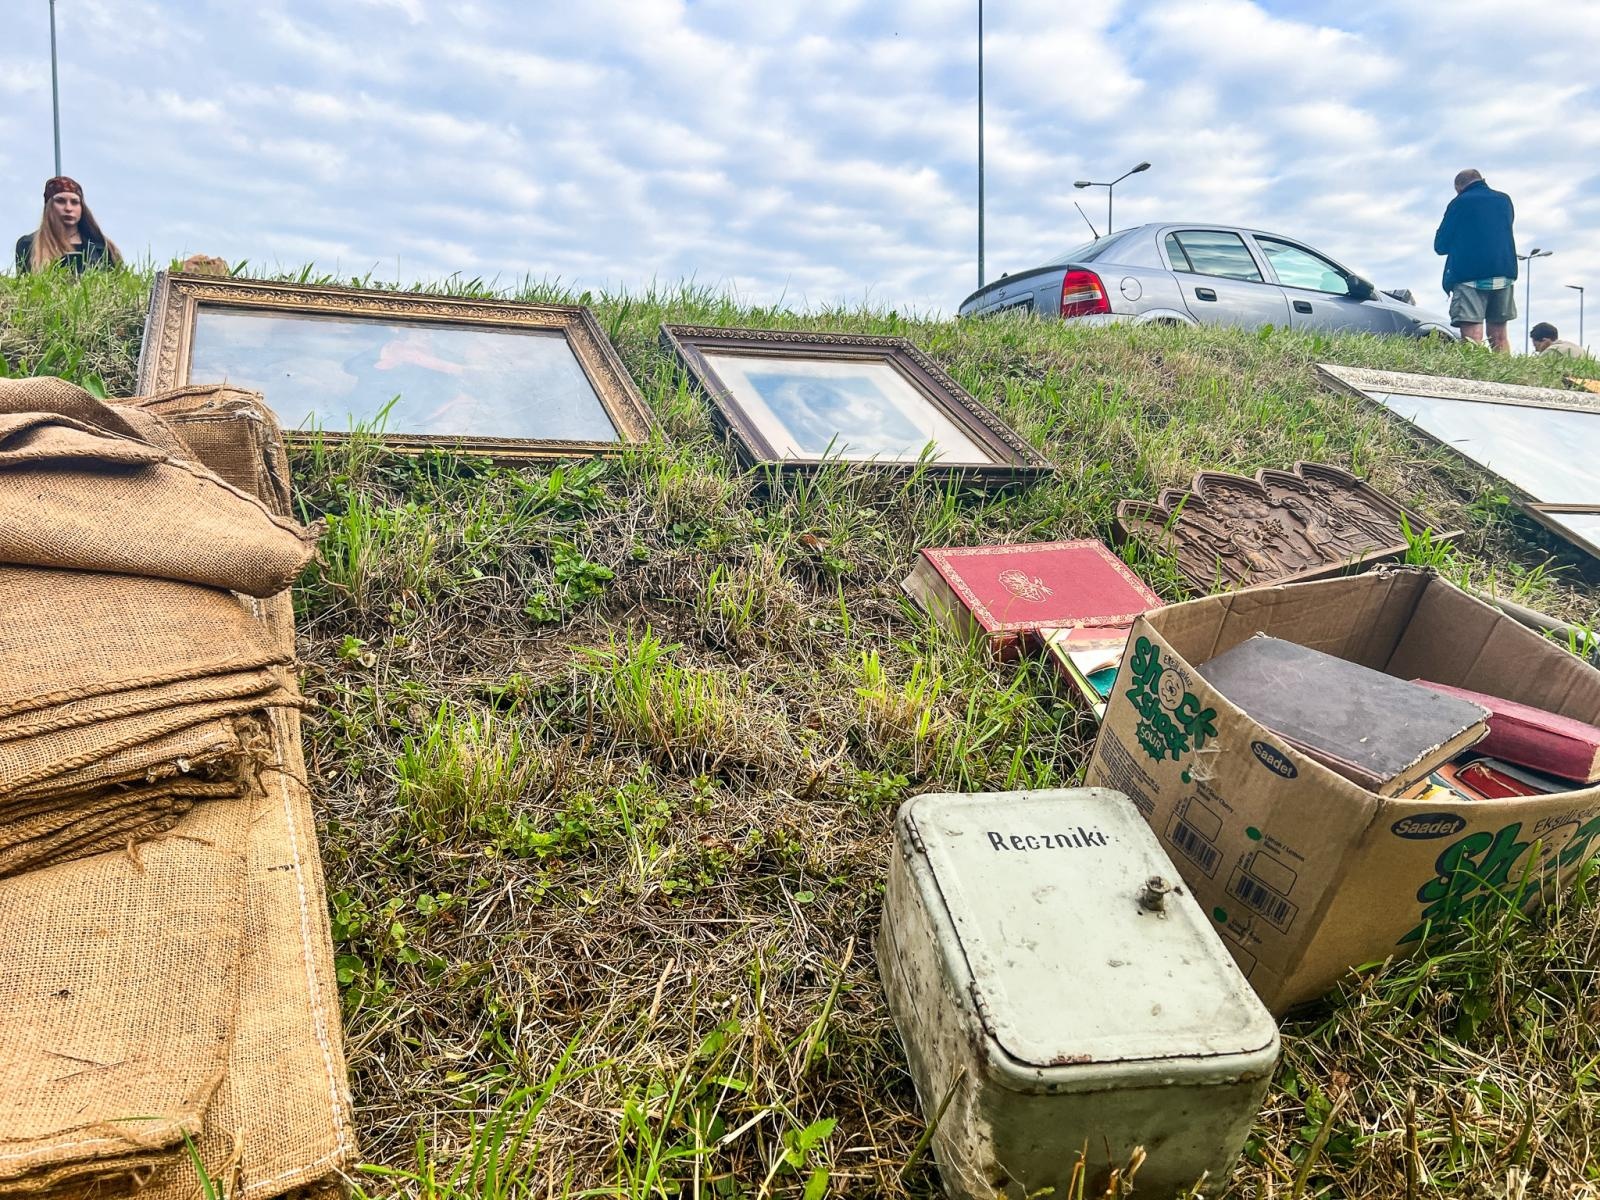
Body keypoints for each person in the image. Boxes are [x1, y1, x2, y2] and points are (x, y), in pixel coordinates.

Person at [1433, 168, 1517, 352]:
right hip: (1503, 273)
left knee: (1472, 336)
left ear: (1459, 187)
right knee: (1500, 335)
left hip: (1468, 276)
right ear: (1481, 179)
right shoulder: (1504, 200)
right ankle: (1503, 375)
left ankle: (1475, 375)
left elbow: (1441, 245)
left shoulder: (1459, 203)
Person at [14, 176, 122, 275]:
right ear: (49, 206)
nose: (68, 208)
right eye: (60, 201)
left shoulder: (101, 247)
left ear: (82, 207)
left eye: (74, 202)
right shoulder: (28, 244)